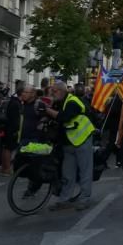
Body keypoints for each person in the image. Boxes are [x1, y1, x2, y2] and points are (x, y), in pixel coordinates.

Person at [44, 81, 96, 211]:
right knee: (67, 174)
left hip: (82, 140)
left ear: (61, 91)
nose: (52, 93)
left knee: (85, 172)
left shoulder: (73, 101)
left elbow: (64, 117)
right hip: (69, 143)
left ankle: (84, 199)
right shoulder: (61, 102)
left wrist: (48, 110)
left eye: (54, 91)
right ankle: (64, 200)